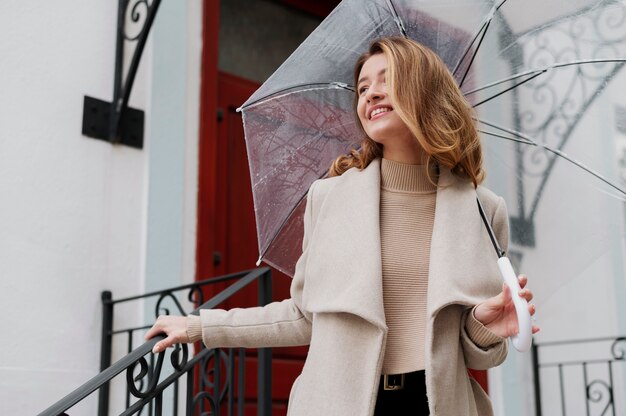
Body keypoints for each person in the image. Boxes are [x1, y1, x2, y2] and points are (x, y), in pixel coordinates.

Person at [145, 37, 540, 416]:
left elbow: (475, 353)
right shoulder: (328, 197)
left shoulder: (482, 209)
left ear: (425, 92)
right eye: (363, 87)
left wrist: (486, 327)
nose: (371, 93)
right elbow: (303, 316)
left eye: (387, 80)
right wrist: (201, 326)